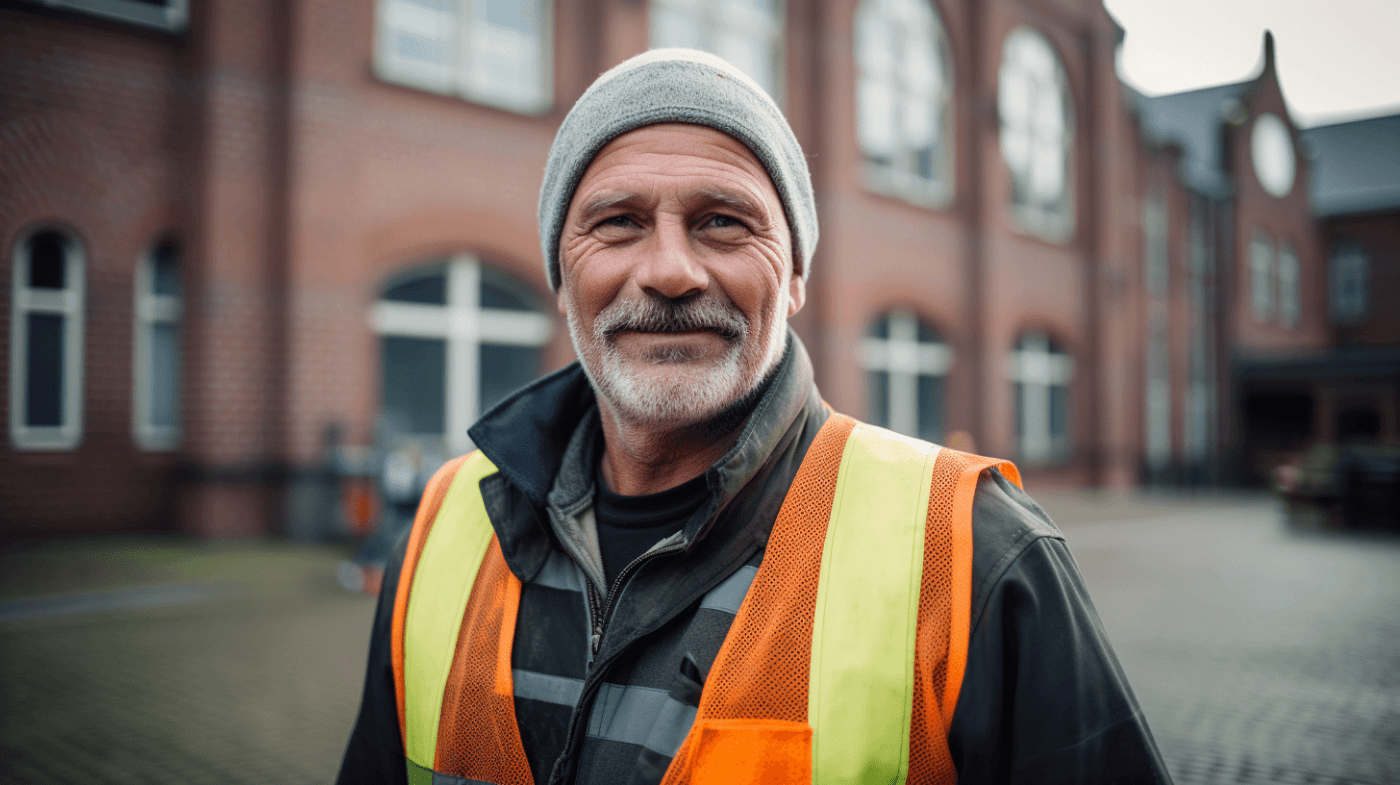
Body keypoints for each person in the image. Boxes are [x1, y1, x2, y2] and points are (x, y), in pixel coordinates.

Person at [337, 49, 1171, 785]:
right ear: (562, 276)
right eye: (619, 222)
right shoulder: (442, 525)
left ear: (797, 278)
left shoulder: (974, 552)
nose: (669, 271)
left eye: (723, 223)